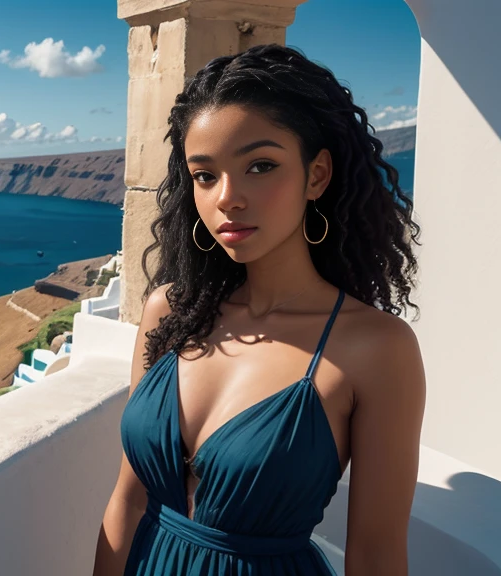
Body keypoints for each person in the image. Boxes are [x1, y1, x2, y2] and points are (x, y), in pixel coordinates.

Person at [93, 44, 425, 576]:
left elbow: (377, 553)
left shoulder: (375, 348)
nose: (228, 197)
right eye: (205, 175)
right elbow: (128, 499)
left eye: (260, 166)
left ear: (316, 175)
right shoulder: (170, 312)